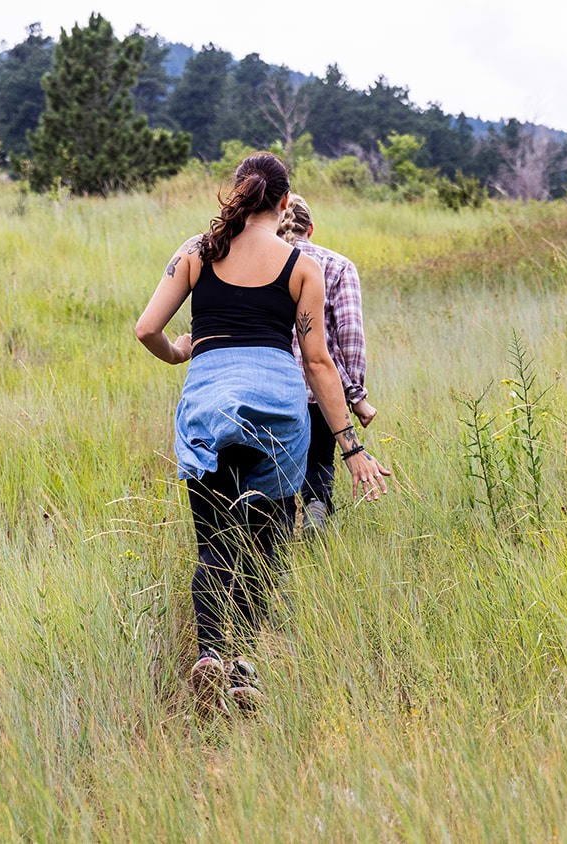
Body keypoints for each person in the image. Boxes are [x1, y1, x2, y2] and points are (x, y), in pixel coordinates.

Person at [134, 152, 391, 719]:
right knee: (265, 549)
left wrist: (181, 350)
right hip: (278, 414)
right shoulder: (302, 265)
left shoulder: (196, 252)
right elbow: (320, 363)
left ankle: (209, 656)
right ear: (283, 204)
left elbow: (147, 328)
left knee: (214, 549)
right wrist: (353, 450)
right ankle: (244, 668)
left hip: (209, 412)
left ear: (238, 194)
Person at [277, 194, 375, 531]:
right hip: (320, 389)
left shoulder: (262, 263)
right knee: (320, 460)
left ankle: (281, 525)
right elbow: (351, 336)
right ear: (312, 228)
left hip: (272, 387)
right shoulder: (337, 266)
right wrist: (355, 393)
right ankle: (316, 506)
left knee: (275, 464)